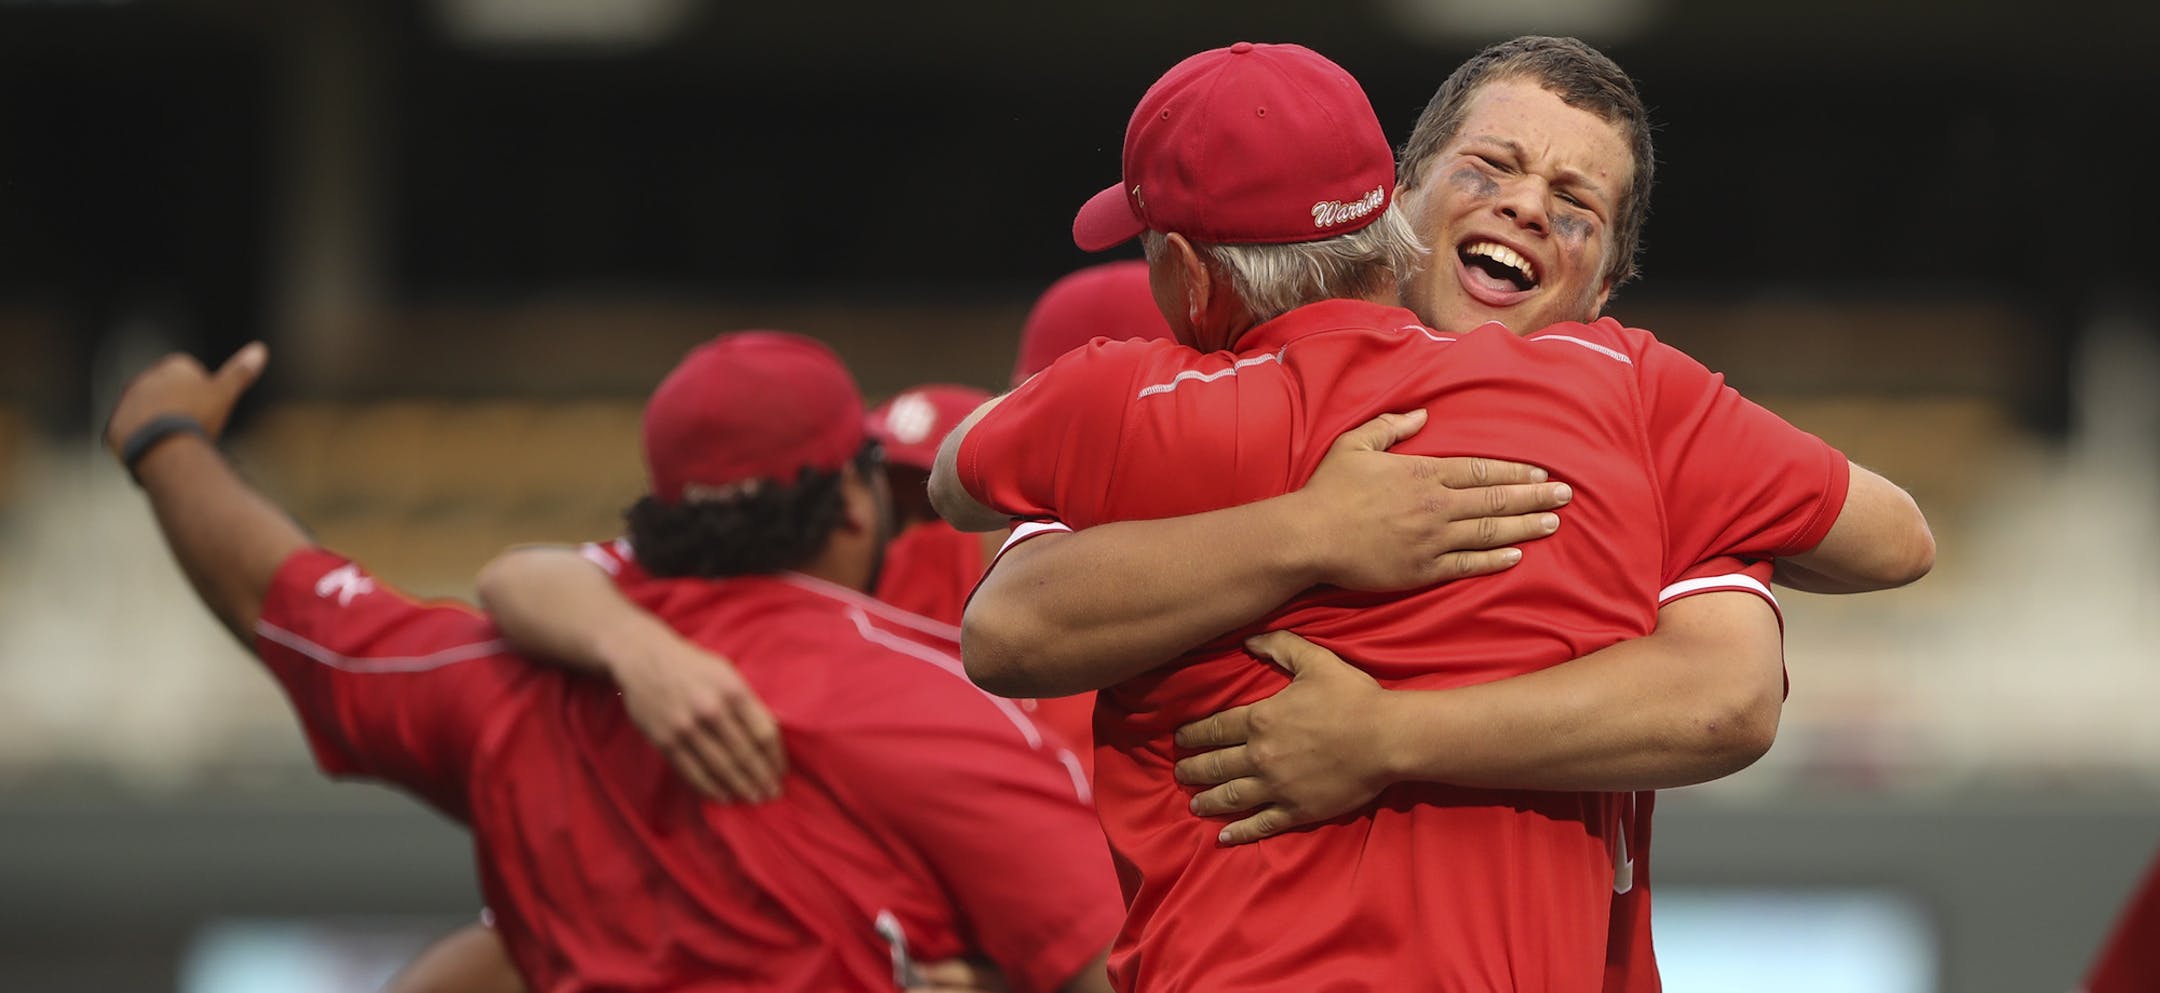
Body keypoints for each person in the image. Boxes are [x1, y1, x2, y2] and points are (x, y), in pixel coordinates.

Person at [928, 40, 1930, 991]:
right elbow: (1012, 624)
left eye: (1575, 202)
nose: (1528, 207)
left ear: (1609, 288)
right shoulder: (1199, 372)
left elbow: (1731, 693)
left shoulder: (1636, 410)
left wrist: (1386, 736)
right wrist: (1314, 529)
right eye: (1491, 169)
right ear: (1397, 201)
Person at [106, 334, 1123, 993]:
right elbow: (1107, 969)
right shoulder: (943, 703)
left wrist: (165, 440)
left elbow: (282, 600)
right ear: (853, 504)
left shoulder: (503, 678)